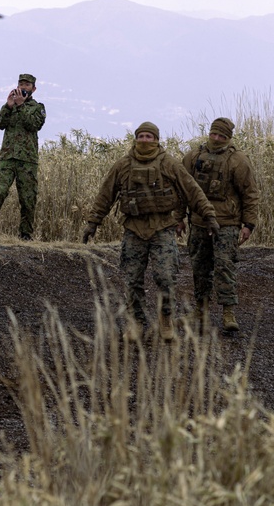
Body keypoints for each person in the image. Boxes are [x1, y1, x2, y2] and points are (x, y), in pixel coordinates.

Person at [82, 122, 219, 341]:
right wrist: (93, 222)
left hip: (163, 228)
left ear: (157, 139)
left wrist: (209, 215)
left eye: (149, 136)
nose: (145, 140)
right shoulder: (123, 165)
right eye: (141, 136)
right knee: (132, 279)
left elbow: (192, 190)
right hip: (134, 229)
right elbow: (105, 194)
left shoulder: (169, 164)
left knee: (166, 278)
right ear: (136, 139)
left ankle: (166, 321)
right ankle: (136, 323)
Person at [178, 117, 260, 333]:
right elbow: (182, 190)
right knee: (199, 267)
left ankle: (228, 313)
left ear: (228, 138)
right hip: (198, 222)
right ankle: (200, 309)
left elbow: (250, 194)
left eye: (221, 136)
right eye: (214, 134)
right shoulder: (193, 157)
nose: (216, 139)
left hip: (227, 224)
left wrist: (248, 225)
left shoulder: (238, 161)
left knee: (225, 267)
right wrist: (178, 217)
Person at [0, 73, 47, 239]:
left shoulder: (37, 107)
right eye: (21, 84)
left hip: (27, 160)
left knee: (27, 198)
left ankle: (25, 235)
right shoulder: (10, 105)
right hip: (7, 157)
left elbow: (33, 125)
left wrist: (21, 105)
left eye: (27, 84)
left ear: (34, 88)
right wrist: (8, 107)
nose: (23, 87)